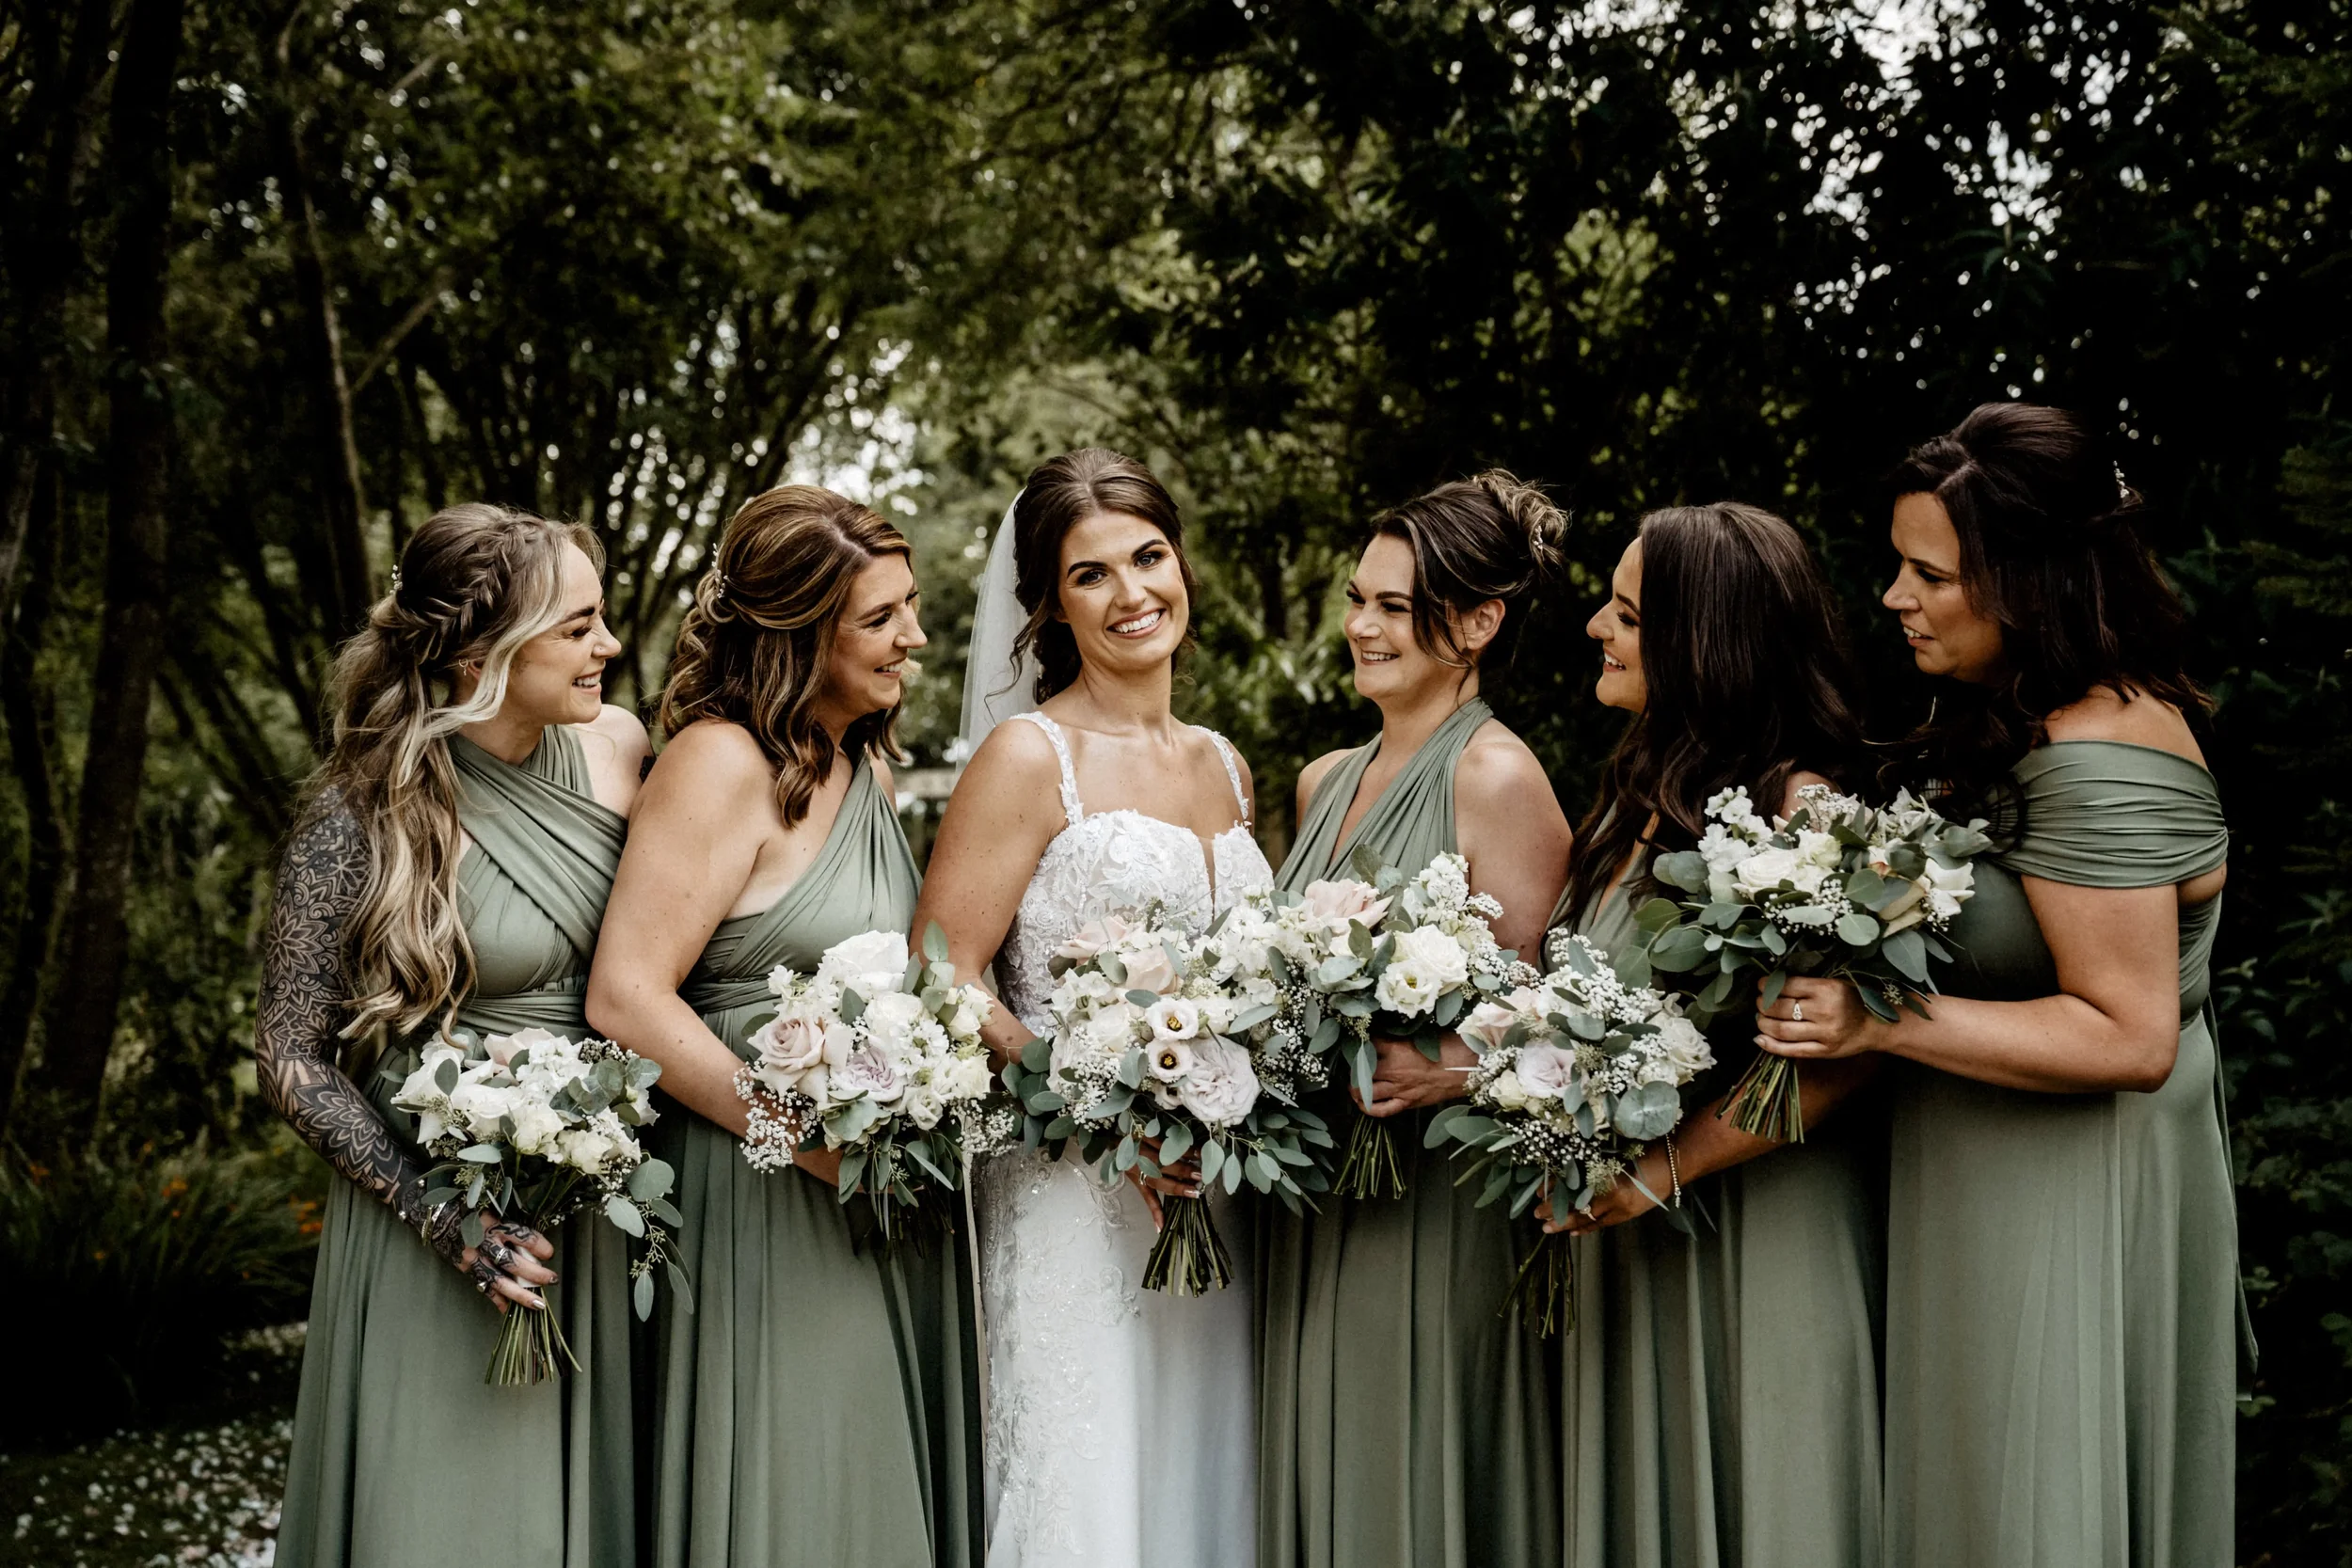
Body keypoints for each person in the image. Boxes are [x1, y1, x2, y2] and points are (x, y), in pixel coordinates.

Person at [1754, 403, 2240, 1568]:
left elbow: (2131, 1034)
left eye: (1929, 572)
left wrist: (1883, 1017)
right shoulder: (2040, 723)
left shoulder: (2098, 755)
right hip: (1992, 1173)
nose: (1893, 597)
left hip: (2063, 1192)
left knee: (2030, 1501)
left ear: (2028, 579)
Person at [583, 485, 981, 1567]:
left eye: (911, 608)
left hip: (874, 1187)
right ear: (804, 632)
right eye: (882, 617)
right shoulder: (718, 761)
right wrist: (795, 1131)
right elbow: (625, 995)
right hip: (760, 1192)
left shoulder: (864, 766)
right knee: (800, 1490)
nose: (916, 636)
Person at [262, 504, 647, 1568]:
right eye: (578, 627)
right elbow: (291, 1056)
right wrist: (444, 1219)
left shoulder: (618, 749)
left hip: (593, 1215)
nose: (608, 645)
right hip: (434, 1219)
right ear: (482, 655)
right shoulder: (363, 814)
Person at [914, 448, 1266, 1568]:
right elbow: (944, 970)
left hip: (1213, 1191)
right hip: (1071, 1187)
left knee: (1200, 1467)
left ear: (1182, 562)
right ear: (1047, 606)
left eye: (1148, 557)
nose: (1132, 594)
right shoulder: (1029, 757)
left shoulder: (1226, 765)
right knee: (1090, 1485)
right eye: (1091, 575)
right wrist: (1101, 1116)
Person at [1542, 502, 1883, 1568]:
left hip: (1758, 1228)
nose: (1598, 624)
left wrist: (1660, 1166)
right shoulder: (1630, 802)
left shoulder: (1803, 812)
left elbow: (1838, 1060)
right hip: (1639, 1233)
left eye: (1629, 613)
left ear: (1707, 641)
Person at [1255, 472, 1574, 1568]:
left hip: (1431, 1195)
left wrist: (1442, 1066)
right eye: (1358, 599)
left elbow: (1545, 1026)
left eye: (1394, 605)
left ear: (1478, 622)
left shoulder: (1498, 776)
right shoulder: (1318, 779)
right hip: (1313, 1192)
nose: (1360, 625)